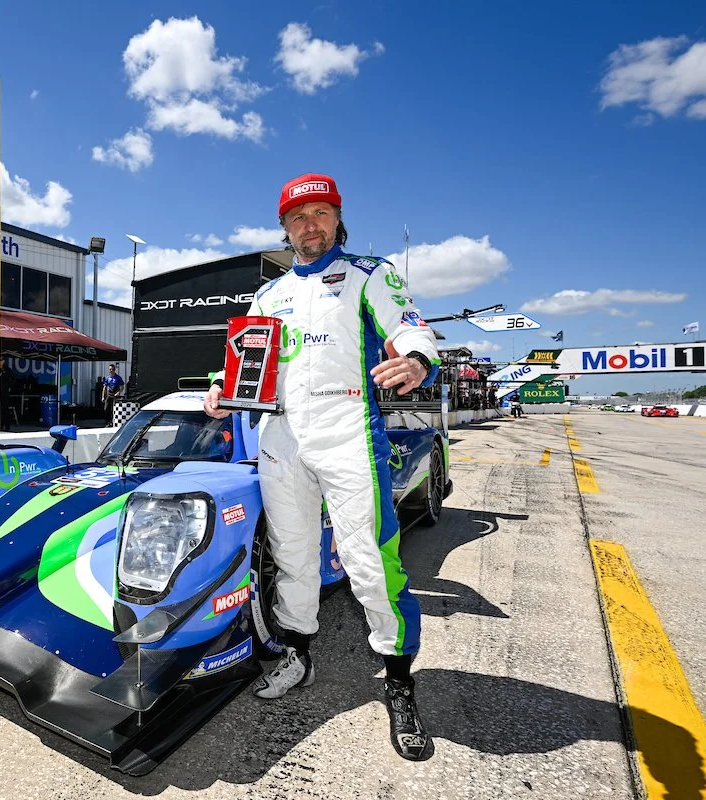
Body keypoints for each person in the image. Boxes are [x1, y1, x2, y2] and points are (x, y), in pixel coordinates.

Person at [204, 173, 439, 761]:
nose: (310, 226)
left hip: (348, 432)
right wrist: (219, 390)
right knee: (291, 556)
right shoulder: (268, 295)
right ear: (284, 228)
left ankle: (399, 679)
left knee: (370, 561)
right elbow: (243, 366)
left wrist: (416, 359)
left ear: (338, 219)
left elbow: (409, 326)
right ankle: (297, 655)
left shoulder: (370, 273)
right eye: (297, 217)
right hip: (280, 437)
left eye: (320, 214)